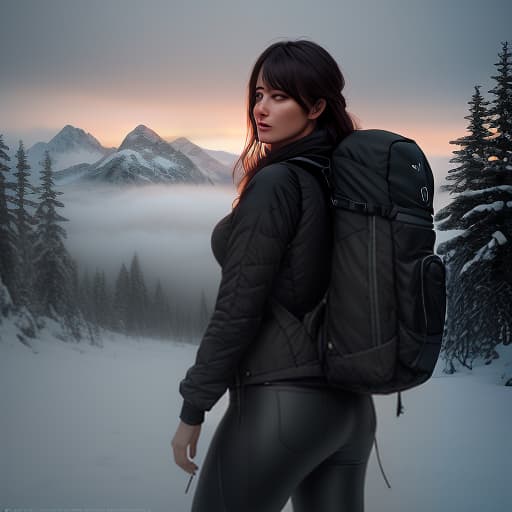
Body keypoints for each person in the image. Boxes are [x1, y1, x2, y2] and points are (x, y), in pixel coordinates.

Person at [171, 39, 377, 512]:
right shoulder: (344, 179)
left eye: (279, 97)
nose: (261, 108)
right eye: (259, 94)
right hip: (351, 411)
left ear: (317, 106)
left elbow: (238, 306)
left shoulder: (277, 182)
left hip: (283, 406)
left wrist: (193, 406)